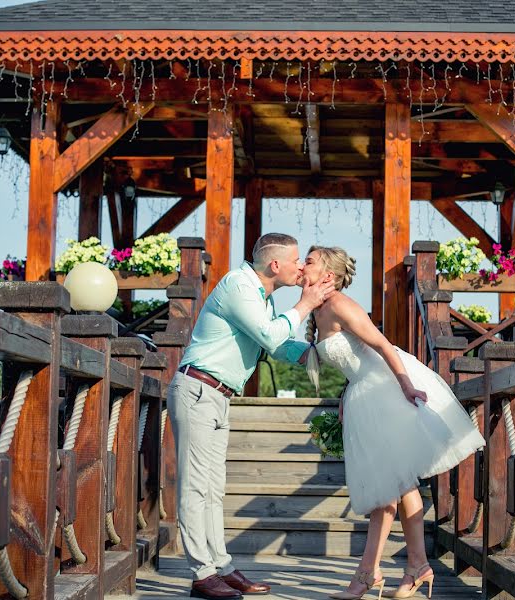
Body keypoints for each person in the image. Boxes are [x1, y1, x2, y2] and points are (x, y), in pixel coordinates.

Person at [300, 246, 485, 600]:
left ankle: (368, 575)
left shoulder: (340, 304)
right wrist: (344, 395)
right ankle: (416, 565)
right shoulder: (320, 309)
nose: (301, 266)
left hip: (386, 389)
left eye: (308, 261)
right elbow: (354, 358)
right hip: (363, 393)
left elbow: (383, 346)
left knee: (387, 490)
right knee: (400, 485)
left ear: (327, 275)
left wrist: (406, 385)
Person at [168, 233, 337, 600]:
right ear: (275, 265)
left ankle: (221, 566)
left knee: (213, 490)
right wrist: (306, 304)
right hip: (198, 391)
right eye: (295, 261)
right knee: (196, 488)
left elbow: (276, 344)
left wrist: (320, 352)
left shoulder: (262, 296)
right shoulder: (238, 285)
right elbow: (267, 333)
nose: (299, 267)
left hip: (216, 396)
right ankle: (201, 573)